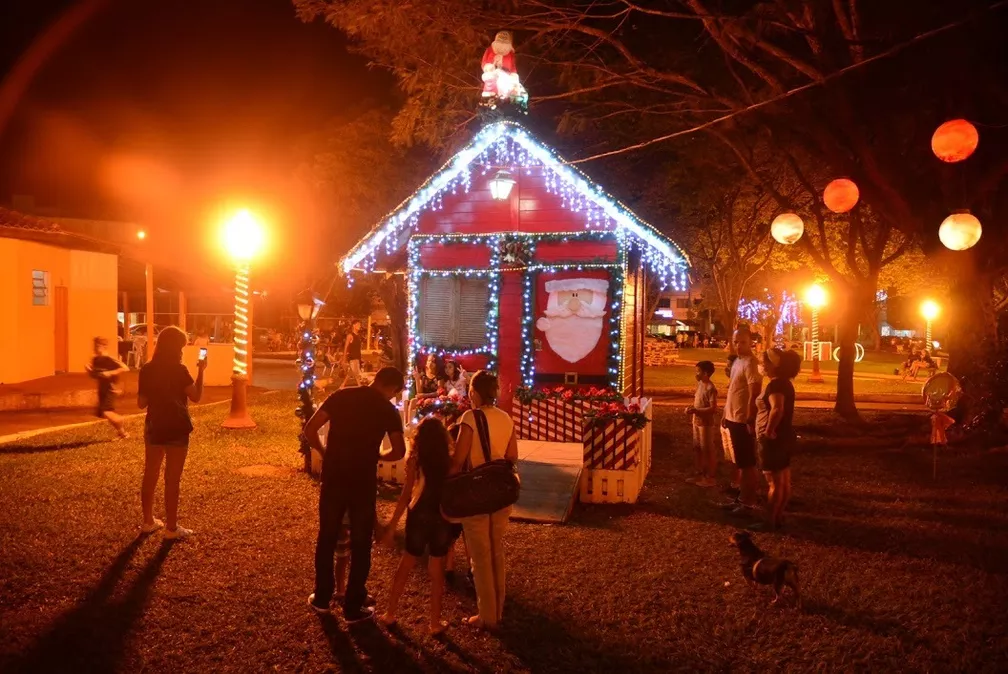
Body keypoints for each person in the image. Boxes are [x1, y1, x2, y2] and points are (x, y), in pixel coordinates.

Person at [303, 367, 407, 622]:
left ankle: (323, 597)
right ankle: (352, 604)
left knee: (327, 536)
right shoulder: (387, 410)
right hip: (362, 479)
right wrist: (378, 457)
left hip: (334, 475)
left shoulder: (342, 395)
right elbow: (399, 451)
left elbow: (310, 428)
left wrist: (324, 451)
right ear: (392, 388)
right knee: (361, 543)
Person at [449, 371, 519, 630]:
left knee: (479, 556)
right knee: (496, 551)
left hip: (476, 493)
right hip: (501, 493)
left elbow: (458, 460)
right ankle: (497, 610)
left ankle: (487, 616)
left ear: (475, 393)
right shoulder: (506, 418)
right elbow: (512, 455)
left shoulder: (470, 417)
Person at [379, 417, 461, 635]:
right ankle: (434, 622)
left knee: (406, 564)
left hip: (419, 513)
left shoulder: (415, 460)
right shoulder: (450, 462)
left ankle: (390, 613)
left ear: (420, 439)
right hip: (442, 516)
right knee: (437, 570)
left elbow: (407, 493)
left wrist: (393, 523)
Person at [137, 326, 205, 540]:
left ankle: (148, 522)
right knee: (172, 479)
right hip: (177, 427)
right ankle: (171, 528)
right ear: (176, 348)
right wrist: (202, 370)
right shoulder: (180, 370)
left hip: (155, 425)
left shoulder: (147, 369)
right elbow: (195, 396)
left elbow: (141, 403)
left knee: (151, 473)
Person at [755, 348, 801, 530]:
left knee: (773, 482)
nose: (761, 365)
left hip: (774, 439)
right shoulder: (785, 383)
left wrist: (768, 431)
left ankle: (769, 521)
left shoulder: (775, 386)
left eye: (762, 362)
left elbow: (777, 409)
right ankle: (778, 517)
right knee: (783, 480)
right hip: (785, 437)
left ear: (773, 365)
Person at [721, 327, 763, 516]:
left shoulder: (751, 363)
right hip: (732, 417)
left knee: (747, 463)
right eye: (736, 341)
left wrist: (749, 417)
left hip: (741, 419)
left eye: (743, 342)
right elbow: (733, 391)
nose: (738, 346)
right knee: (740, 462)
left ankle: (749, 501)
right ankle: (741, 497)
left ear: (750, 342)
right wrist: (725, 413)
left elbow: (754, 391)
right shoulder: (737, 361)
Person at [87, 337, 130, 439]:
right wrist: (89, 370)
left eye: (97, 346)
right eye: (94, 346)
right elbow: (96, 375)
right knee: (103, 413)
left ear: (104, 347)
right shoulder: (95, 360)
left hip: (110, 389)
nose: (95, 348)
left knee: (106, 412)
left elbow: (125, 368)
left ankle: (121, 420)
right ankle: (123, 433)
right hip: (102, 389)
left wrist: (110, 373)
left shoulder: (109, 359)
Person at [686, 360, 718, 487]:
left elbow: (713, 408)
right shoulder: (700, 384)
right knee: (697, 448)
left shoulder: (711, 388)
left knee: (707, 449)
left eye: (698, 371)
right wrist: (692, 409)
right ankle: (699, 473)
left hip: (706, 423)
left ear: (706, 373)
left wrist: (696, 410)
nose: (696, 374)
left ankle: (709, 477)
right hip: (697, 421)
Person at [341, 319, 365, 387]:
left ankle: (342, 385)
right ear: (353, 325)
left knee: (351, 372)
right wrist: (344, 358)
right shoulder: (350, 335)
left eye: (360, 325)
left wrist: (361, 357)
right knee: (356, 372)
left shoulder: (358, 335)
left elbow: (358, 348)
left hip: (358, 356)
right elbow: (346, 347)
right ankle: (359, 385)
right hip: (352, 356)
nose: (359, 326)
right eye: (358, 324)